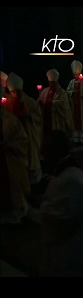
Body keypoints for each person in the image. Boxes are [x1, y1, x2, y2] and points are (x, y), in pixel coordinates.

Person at [39, 129, 83, 277]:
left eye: (46, 148)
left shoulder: (72, 177)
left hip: (76, 253)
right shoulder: (63, 173)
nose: (42, 152)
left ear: (56, 150)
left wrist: (43, 207)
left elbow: (66, 217)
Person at [4, 72, 43, 185]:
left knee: (31, 157)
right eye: (12, 92)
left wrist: (29, 115)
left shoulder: (29, 102)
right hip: (17, 137)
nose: (15, 94)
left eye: (17, 91)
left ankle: (34, 181)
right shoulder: (8, 103)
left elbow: (38, 117)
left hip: (29, 134)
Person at [0, 84, 30, 224]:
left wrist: (10, 146)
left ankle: (15, 211)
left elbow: (22, 139)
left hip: (9, 159)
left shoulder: (10, 120)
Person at [38, 69, 74, 141]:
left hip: (56, 118)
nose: (52, 84)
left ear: (57, 82)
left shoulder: (61, 92)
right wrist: (39, 102)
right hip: (46, 116)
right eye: (51, 83)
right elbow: (40, 100)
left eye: (54, 83)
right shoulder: (45, 91)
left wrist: (52, 102)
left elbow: (64, 104)